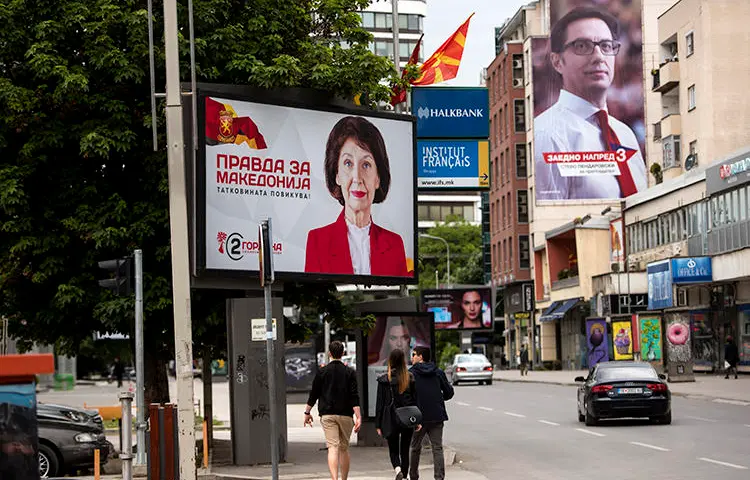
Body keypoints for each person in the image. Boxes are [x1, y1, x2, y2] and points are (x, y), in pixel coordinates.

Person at [534, 6, 647, 200]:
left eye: (606, 46)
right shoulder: (546, 135)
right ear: (557, 61)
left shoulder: (625, 135)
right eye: (581, 46)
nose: (598, 57)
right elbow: (548, 221)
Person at [305, 116, 409, 277]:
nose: (357, 177)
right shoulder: (318, 241)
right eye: (348, 163)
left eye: (366, 165)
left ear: (378, 178)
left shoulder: (394, 244)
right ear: (337, 174)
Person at [304, 341, 362, 480]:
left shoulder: (322, 372)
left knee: (332, 448)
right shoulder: (350, 372)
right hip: (346, 415)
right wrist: (358, 417)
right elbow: (354, 396)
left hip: (327, 414)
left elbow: (314, 394)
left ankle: (334, 478)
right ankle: (343, 479)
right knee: (343, 448)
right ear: (343, 353)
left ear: (329, 354)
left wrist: (307, 412)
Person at [409, 346, 454, 480]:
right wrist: (439, 398)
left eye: (414, 354)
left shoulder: (411, 374)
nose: (412, 357)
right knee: (437, 448)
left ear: (421, 357)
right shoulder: (438, 372)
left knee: (415, 448)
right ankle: (439, 477)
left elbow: (408, 396)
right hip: (436, 415)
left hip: (418, 417)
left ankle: (414, 476)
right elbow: (449, 392)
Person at [375, 349, 420, 480]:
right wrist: (417, 420)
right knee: (405, 449)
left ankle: (398, 470)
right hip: (407, 417)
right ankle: (404, 477)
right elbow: (415, 400)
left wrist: (378, 424)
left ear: (390, 361)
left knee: (393, 448)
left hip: (390, 418)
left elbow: (380, 404)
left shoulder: (384, 380)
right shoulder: (410, 378)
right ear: (403, 361)